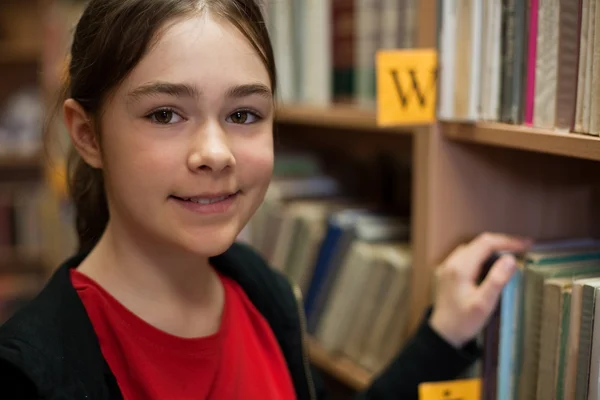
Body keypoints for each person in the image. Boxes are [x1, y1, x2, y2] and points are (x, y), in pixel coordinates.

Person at [0, 0, 532, 399]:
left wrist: (443, 336)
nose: (215, 153)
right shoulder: (32, 371)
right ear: (87, 134)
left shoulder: (263, 292)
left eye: (243, 115)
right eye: (165, 114)